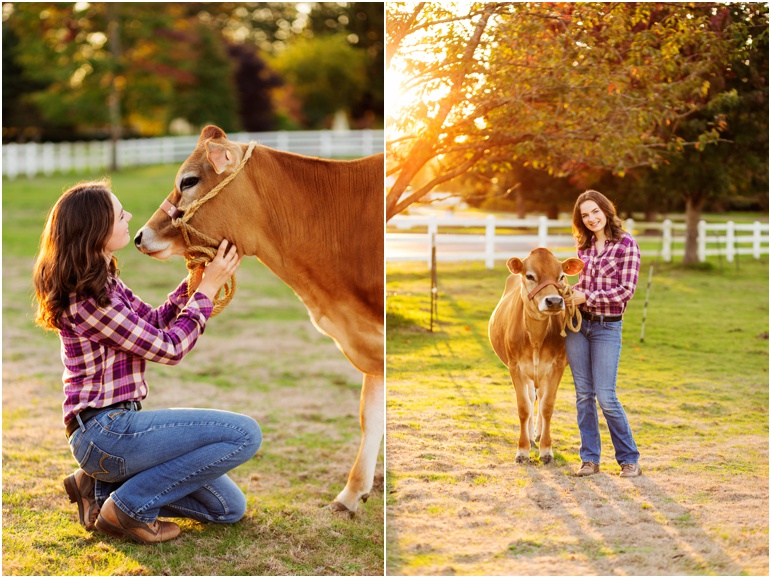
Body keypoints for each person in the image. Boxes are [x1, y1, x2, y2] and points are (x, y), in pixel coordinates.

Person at [32, 180, 262, 544]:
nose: (129, 217)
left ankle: (99, 487)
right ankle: (128, 506)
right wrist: (207, 290)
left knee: (227, 508)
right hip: (106, 433)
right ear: (96, 229)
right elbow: (169, 348)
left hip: (119, 429)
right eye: (119, 214)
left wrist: (193, 282)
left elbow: (154, 322)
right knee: (245, 435)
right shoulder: (88, 301)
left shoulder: (105, 282)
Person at [565, 189, 642, 478]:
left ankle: (629, 459)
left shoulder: (626, 244)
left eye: (595, 211)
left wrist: (587, 297)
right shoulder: (583, 246)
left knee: (606, 396)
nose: (591, 218)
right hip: (578, 326)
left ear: (606, 210)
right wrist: (569, 293)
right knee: (584, 395)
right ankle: (589, 459)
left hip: (607, 326)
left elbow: (625, 291)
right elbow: (583, 285)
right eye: (585, 215)